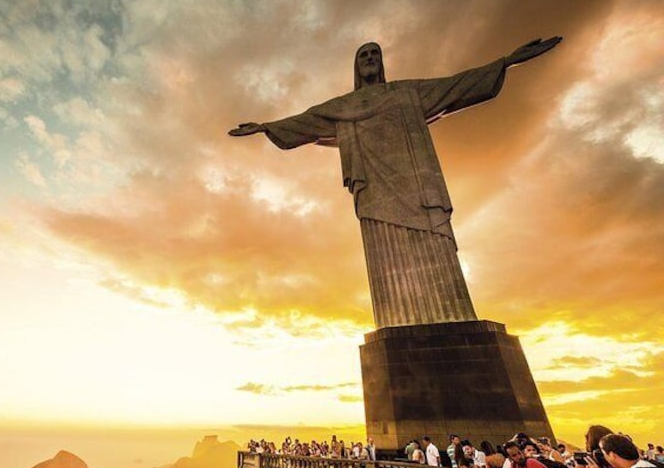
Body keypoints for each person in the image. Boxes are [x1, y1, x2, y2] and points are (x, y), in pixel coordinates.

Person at [229, 38, 561, 328]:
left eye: (375, 53)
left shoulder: (407, 92)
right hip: (375, 194)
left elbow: (458, 85)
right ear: (357, 67)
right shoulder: (342, 107)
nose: (371, 59)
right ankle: (399, 321)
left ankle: (454, 316)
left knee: (437, 249)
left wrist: (508, 61)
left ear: (382, 61)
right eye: (364, 55)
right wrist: (264, 126)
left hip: (418, 190)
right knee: (387, 262)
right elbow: (306, 121)